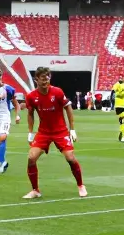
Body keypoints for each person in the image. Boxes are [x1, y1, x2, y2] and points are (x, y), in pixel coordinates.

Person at [24, 66, 85, 199]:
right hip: (43, 132)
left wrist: (72, 129)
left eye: (47, 79)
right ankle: (35, 190)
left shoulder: (57, 92)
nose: (46, 82)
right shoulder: (31, 96)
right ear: (36, 80)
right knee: (31, 158)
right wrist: (30, 132)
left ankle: (81, 185)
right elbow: (30, 114)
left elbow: (68, 108)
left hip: (60, 131)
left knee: (70, 158)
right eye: (43, 79)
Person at [111, 75, 124, 142]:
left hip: (118, 105)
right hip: (123, 105)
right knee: (123, 121)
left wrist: (113, 104)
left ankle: (122, 133)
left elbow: (112, 95)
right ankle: (123, 134)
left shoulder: (115, 85)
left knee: (122, 120)